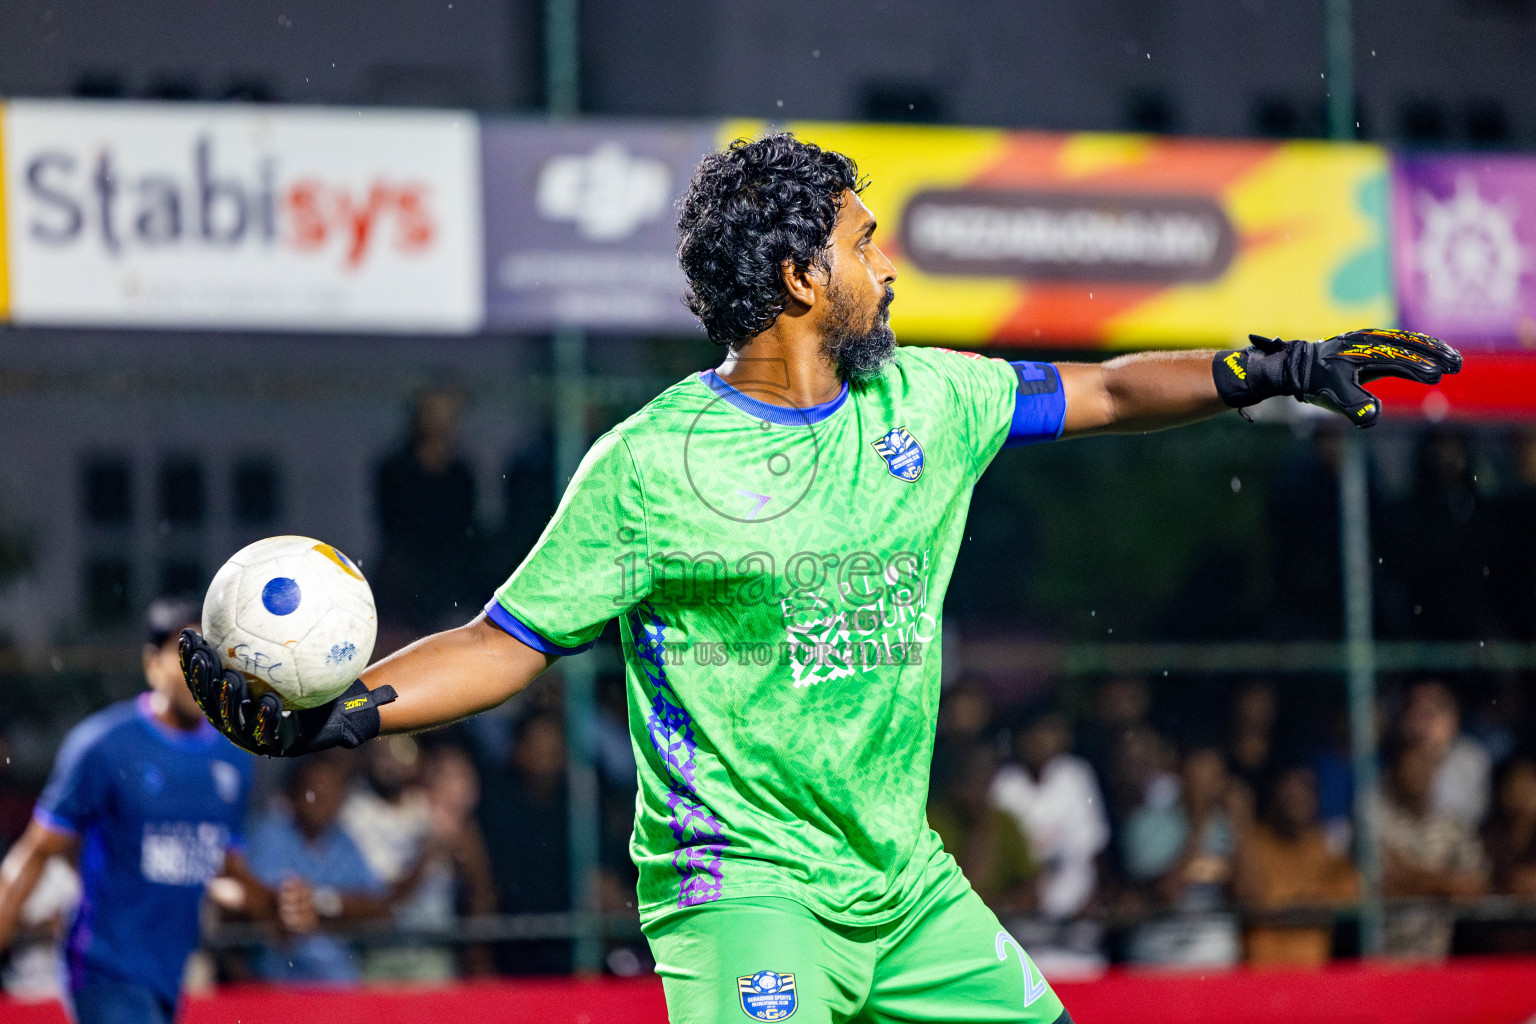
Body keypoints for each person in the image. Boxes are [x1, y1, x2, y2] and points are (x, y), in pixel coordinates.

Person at [179, 134, 1460, 1024]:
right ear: (802, 278)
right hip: (743, 884)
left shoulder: (932, 398)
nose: (886, 262)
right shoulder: (652, 465)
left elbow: (1114, 385)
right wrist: (346, 713)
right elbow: (509, 638)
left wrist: (1273, 369)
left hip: (902, 881)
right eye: (864, 240)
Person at [0, 599, 275, 1024]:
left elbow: (225, 869)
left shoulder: (234, 756)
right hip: (104, 970)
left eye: (212, 657)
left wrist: (280, 907)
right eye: (187, 657)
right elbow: (36, 852)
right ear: (153, 664)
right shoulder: (103, 745)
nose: (200, 672)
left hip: (170, 977)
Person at [246, 753, 391, 985]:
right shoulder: (271, 834)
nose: (322, 802)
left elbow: (378, 906)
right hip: (277, 981)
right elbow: (269, 900)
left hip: (338, 984)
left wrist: (323, 902)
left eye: (331, 794)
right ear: (293, 794)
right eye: (313, 793)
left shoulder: (343, 842)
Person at [1231, 766, 1358, 967]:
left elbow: (1349, 893)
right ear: (1274, 795)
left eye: (1304, 792)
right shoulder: (1254, 842)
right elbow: (1251, 897)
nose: (1296, 800)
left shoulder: (1325, 846)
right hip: (1263, 972)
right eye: (1289, 794)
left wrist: (1299, 901)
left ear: (1315, 799)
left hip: (1313, 972)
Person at [1377, 742, 1488, 959]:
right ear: (1395, 770)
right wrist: (1447, 883)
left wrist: (1409, 875)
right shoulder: (1377, 820)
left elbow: (1476, 887)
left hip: (1436, 960)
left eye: (1427, 765)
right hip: (1383, 960)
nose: (1419, 772)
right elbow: (1381, 882)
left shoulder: (1453, 826)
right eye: (1411, 765)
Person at [928, 743, 1038, 917]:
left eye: (983, 776)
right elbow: (963, 891)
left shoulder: (1005, 822)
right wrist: (980, 829)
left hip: (1002, 922)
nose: (976, 787)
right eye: (969, 778)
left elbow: (1030, 890)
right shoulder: (933, 822)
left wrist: (1005, 904)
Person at [1400, 679, 1492, 830]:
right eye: (1412, 711)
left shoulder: (1471, 760)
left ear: (1454, 718)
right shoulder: (1391, 760)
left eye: (1428, 714)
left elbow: (1472, 820)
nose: (1418, 724)